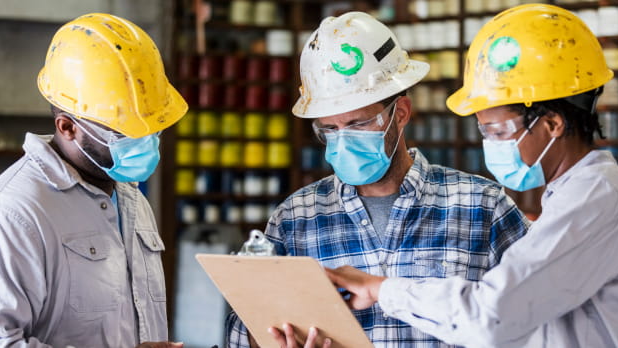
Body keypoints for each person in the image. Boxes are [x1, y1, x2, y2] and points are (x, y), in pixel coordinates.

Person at [326, 4, 618, 348]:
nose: (491, 145)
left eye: (499, 131)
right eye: (484, 132)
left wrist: (380, 289)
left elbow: (492, 316)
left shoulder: (598, 200)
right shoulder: (577, 197)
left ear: (552, 124)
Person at [226, 11, 530, 348]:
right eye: (329, 129)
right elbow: (244, 333)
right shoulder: (296, 218)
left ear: (400, 114)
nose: (343, 140)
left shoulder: (482, 206)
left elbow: (538, 316)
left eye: (357, 124)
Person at [0, 13, 188, 347]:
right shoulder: (12, 215)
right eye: (125, 130)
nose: (146, 139)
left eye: (153, 126)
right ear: (68, 127)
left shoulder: (132, 199)